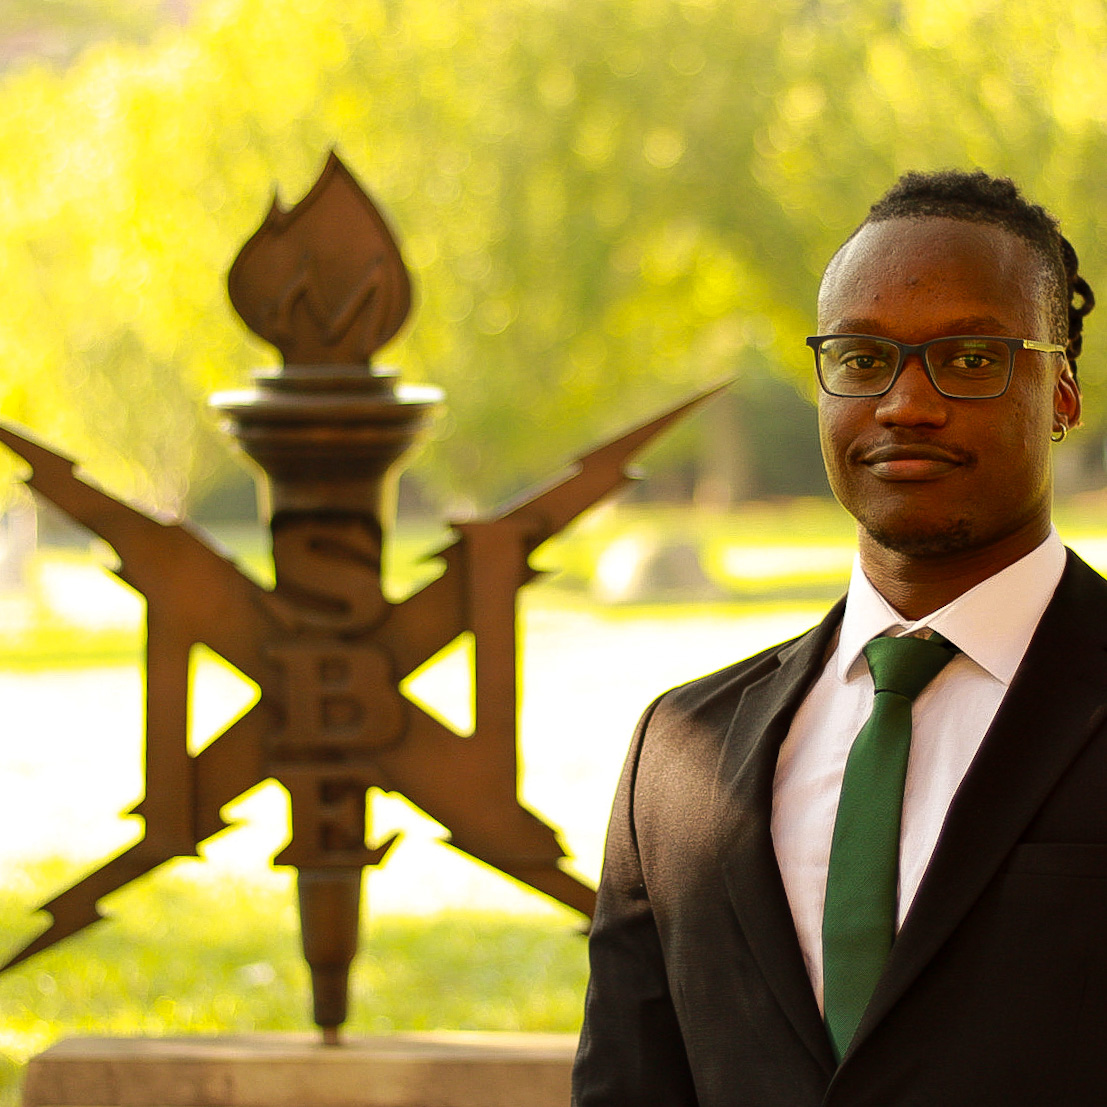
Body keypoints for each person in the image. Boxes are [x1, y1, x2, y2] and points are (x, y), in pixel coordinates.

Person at [571, 169, 1107, 1105]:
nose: (905, 403)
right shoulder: (676, 756)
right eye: (861, 359)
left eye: (970, 357)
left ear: (1060, 393)